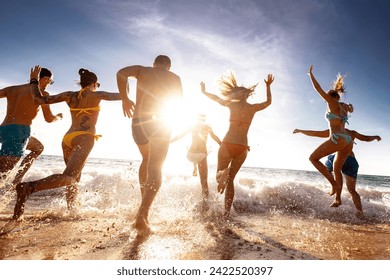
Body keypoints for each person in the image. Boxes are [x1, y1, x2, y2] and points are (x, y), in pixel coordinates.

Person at [12, 66, 121, 220]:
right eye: (97, 85)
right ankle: (29, 188)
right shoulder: (98, 95)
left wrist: (33, 81)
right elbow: (124, 95)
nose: (97, 88)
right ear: (94, 84)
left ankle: (71, 211)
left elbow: (39, 99)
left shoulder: (69, 95)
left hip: (67, 138)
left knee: (75, 178)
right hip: (84, 137)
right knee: (69, 176)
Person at [116, 55, 183, 235]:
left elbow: (121, 73)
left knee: (146, 159)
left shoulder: (142, 70)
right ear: (168, 66)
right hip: (160, 121)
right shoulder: (175, 78)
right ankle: (142, 215)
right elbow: (178, 103)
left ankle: (142, 205)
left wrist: (125, 98)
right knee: (156, 166)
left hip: (138, 121)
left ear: (155, 64)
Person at [200, 71, 274, 219]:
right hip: (242, 147)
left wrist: (204, 91)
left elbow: (216, 99)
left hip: (227, 143)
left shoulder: (231, 105)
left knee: (218, 176)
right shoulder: (253, 108)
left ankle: (223, 172)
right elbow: (268, 102)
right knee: (231, 181)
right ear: (247, 95)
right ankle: (226, 214)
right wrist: (268, 86)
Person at [293, 128, 381, 217]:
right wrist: (375, 137)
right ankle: (360, 212)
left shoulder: (335, 129)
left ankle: (334, 187)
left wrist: (301, 131)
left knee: (328, 166)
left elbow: (317, 133)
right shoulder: (352, 133)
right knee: (352, 190)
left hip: (338, 158)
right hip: (351, 160)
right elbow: (365, 138)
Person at [0, 67, 62, 187]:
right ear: (45, 79)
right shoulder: (42, 94)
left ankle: (17, 179)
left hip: (3, 130)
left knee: (38, 148)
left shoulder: (12, 89)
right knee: (2, 175)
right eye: (51, 82)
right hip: (19, 132)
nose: (50, 84)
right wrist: (58, 117)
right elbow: (49, 118)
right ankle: (16, 181)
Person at [308, 65, 354, 207]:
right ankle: (338, 198)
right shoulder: (344, 106)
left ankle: (334, 184)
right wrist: (351, 107)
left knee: (313, 158)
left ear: (330, 96)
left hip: (337, 139)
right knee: (336, 169)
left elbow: (317, 88)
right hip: (348, 140)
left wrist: (310, 74)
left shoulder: (331, 103)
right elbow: (351, 108)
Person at [170, 113, 221, 205]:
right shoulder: (207, 127)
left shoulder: (192, 126)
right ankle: (205, 205)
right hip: (201, 155)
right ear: (204, 120)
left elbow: (180, 135)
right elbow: (214, 137)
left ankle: (194, 166)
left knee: (197, 154)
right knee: (204, 183)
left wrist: (169, 141)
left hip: (190, 154)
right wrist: (221, 143)